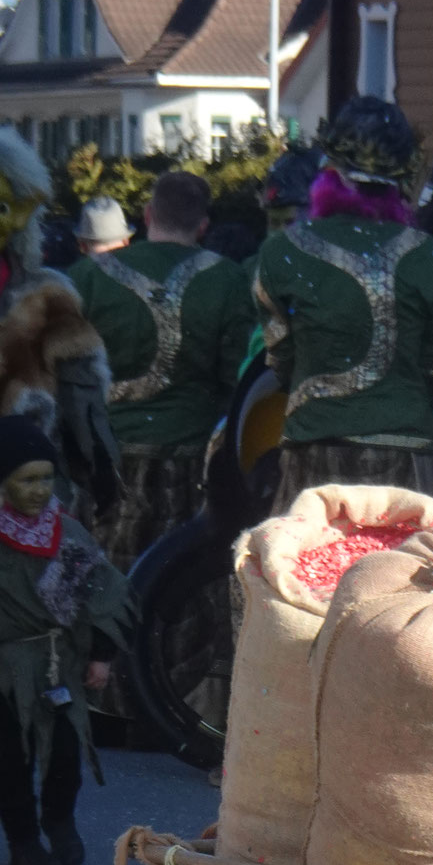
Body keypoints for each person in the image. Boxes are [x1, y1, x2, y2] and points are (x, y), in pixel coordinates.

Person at [253, 96, 433, 505]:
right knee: (401, 566)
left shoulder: (282, 251)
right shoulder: (429, 254)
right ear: (405, 174)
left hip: (314, 444)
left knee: (310, 566)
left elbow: (280, 357)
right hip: (404, 447)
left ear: (330, 167)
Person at [0, 415, 133, 865]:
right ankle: (24, 844)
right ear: (2, 482)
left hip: (60, 663)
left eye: (46, 477)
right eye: (26, 480)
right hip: (4, 667)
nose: (38, 489)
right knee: (15, 757)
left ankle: (60, 821)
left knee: (65, 751)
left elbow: (103, 595)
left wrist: (100, 657)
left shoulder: (67, 534)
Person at [68, 170, 253, 572]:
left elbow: (62, 372)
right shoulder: (229, 280)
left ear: (148, 214)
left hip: (106, 460)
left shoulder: (85, 277)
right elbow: (235, 382)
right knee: (177, 589)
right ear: (203, 225)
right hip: (188, 465)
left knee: (103, 583)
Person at [0, 125, 119, 529]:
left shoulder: (49, 297)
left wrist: (100, 472)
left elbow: (84, 405)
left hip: (32, 510)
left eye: (3, 207)